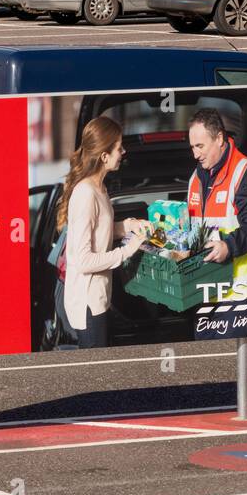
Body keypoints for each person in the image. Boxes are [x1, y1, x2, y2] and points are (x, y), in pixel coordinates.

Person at [59, 116, 148, 349]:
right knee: (95, 374)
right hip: (87, 304)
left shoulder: (100, 188)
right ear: (104, 155)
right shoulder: (86, 193)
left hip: (99, 300)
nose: (124, 152)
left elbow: (102, 232)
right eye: (119, 147)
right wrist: (128, 250)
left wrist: (128, 225)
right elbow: (84, 261)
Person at [187, 108, 247, 300]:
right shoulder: (196, 177)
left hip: (238, 292)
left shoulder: (242, 171)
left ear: (219, 138)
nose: (195, 154)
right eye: (192, 147)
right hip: (204, 290)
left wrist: (228, 246)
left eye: (200, 146)